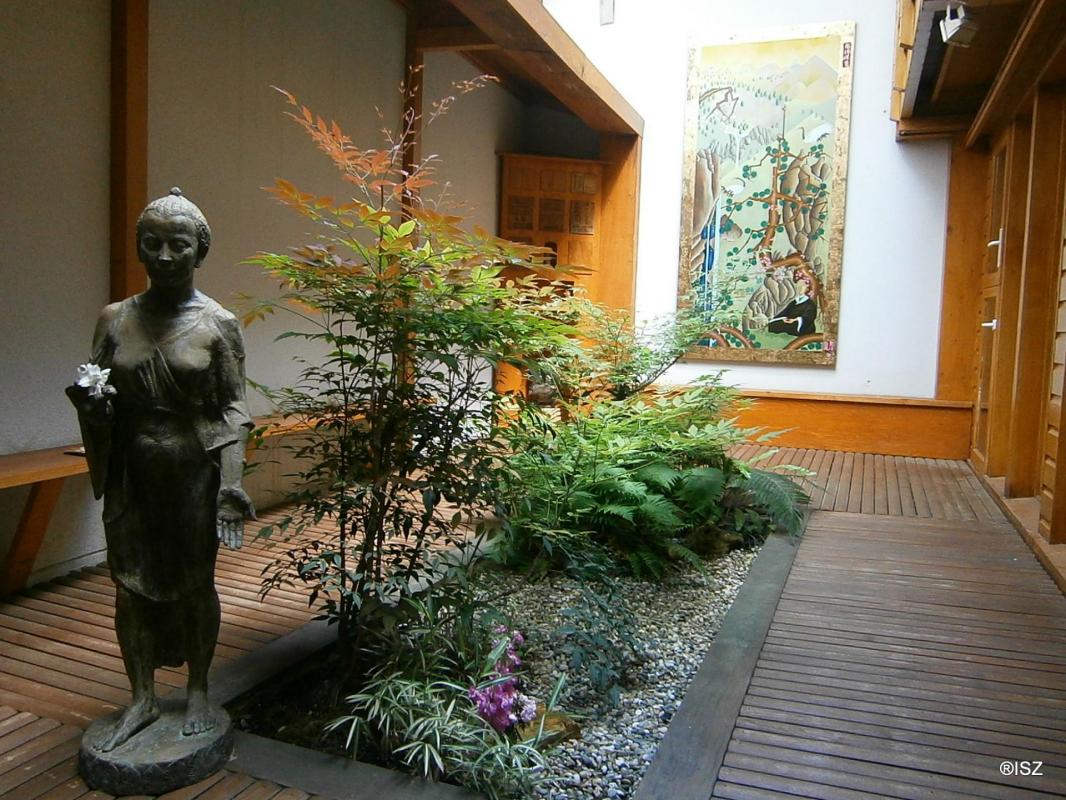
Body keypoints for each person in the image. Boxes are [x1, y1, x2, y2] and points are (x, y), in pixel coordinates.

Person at [67, 188, 254, 752]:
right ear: (140, 249)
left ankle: (198, 689)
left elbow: (234, 408)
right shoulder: (115, 318)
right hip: (133, 474)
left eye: (179, 244)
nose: (165, 256)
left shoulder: (218, 324)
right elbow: (99, 390)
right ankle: (141, 696)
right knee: (129, 587)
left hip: (191, 477)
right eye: (153, 244)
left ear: (200, 251)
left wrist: (231, 484)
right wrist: (92, 407)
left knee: (196, 584)